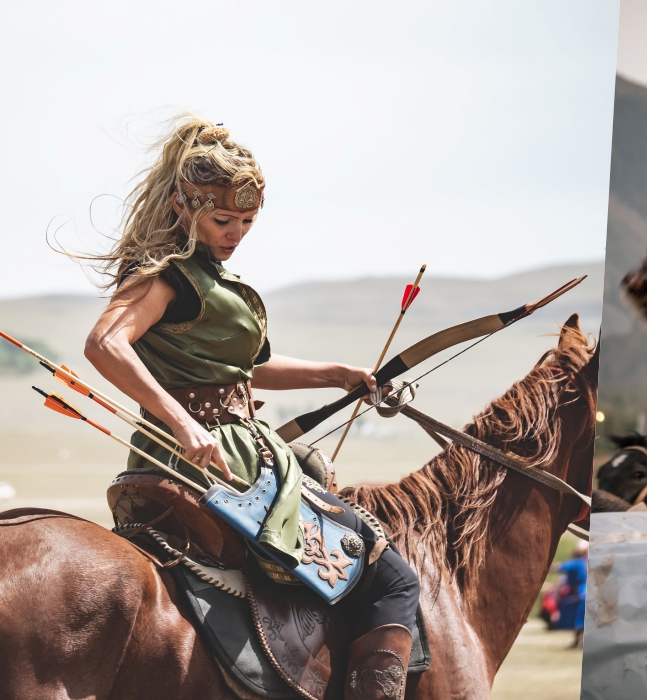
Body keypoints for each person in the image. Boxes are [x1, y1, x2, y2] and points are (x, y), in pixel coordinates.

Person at [81, 115, 419, 700]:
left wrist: (338, 374)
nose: (235, 231)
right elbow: (104, 344)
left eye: (246, 220)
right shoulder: (165, 276)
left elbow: (249, 370)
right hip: (214, 465)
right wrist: (182, 422)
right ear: (180, 205)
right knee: (392, 578)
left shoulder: (214, 280)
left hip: (243, 451)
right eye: (221, 219)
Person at [557, 541, 589, 648]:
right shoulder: (585, 562)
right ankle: (579, 641)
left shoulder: (576, 562)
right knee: (583, 618)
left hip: (578, 592)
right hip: (585, 591)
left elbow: (560, 567)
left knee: (578, 618)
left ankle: (578, 642)